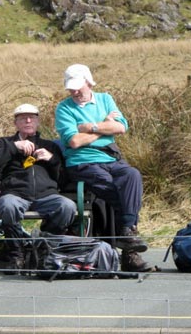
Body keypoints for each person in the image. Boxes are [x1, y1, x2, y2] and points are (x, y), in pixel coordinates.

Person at [55, 64, 152, 272]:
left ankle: (127, 234)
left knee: (132, 175)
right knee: (122, 196)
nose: (74, 92)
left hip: (110, 158)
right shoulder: (63, 108)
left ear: (89, 82)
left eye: (78, 87)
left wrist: (91, 127)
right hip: (82, 162)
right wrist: (104, 128)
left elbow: (121, 127)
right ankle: (129, 247)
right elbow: (73, 142)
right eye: (70, 88)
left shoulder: (105, 99)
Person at [0, 104, 77, 273]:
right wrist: (13, 148)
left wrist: (52, 159)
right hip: (16, 194)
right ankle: (17, 253)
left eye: (32, 117)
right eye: (23, 118)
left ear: (38, 121)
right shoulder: (4, 143)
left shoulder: (49, 146)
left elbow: (63, 179)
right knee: (8, 206)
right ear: (15, 122)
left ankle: (43, 247)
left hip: (46, 195)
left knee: (67, 206)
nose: (28, 120)